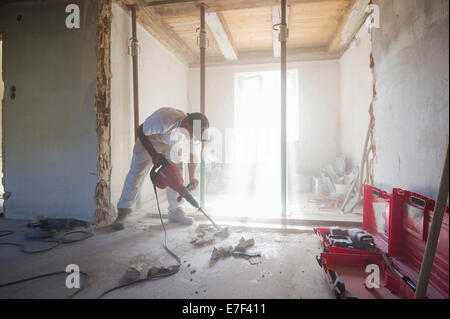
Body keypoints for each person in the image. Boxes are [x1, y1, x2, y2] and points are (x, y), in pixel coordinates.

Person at [113, 107, 209, 230]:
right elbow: (140, 130)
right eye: (192, 134)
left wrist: (191, 177)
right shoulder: (165, 118)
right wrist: (153, 154)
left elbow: (193, 155)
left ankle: (175, 210)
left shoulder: (193, 132)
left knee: (177, 172)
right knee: (137, 172)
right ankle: (123, 211)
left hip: (172, 144)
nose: (193, 138)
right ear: (186, 124)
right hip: (150, 139)